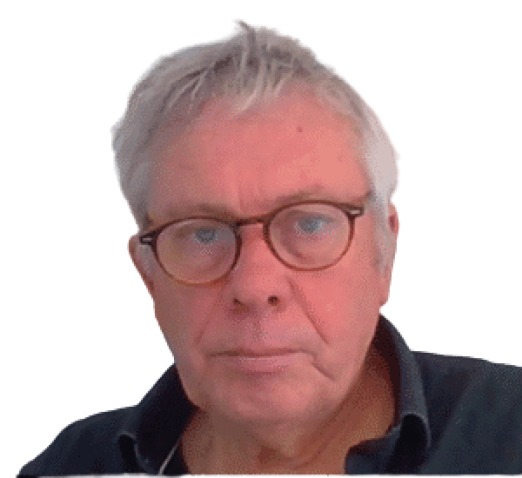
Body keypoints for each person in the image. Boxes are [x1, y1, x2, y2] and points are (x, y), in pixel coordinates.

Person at [19, 23, 522, 476]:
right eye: (203, 234)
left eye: (309, 223)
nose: (255, 286)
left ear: (383, 253)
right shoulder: (71, 466)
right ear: (149, 274)